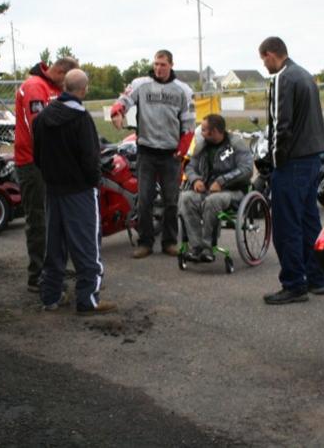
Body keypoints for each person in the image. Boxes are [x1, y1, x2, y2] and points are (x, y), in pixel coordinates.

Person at [32, 69, 116, 315]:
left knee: (54, 245)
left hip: (53, 189)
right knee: (87, 245)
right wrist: (93, 181)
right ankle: (88, 299)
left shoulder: (43, 117)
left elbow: (37, 155)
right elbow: (90, 158)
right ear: (84, 89)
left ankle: (50, 296)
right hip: (79, 190)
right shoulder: (81, 119)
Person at [258, 37, 324, 305]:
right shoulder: (306, 76)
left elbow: (281, 126)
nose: (264, 66)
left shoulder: (282, 79)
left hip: (292, 161)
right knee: (309, 220)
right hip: (313, 157)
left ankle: (293, 284)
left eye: (263, 60)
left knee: (286, 225)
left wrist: (272, 163)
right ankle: (315, 278)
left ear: (270, 55)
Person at [110, 49, 195, 259]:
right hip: (146, 151)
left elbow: (189, 124)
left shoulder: (183, 90)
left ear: (171, 65)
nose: (158, 68)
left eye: (163, 64)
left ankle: (169, 242)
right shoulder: (141, 84)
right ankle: (145, 242)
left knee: (171, 200)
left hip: (170, 154)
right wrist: (117, 112)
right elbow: (123, 100)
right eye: (156, 64)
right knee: (145, 199)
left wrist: (181, 151)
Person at [14, 57, 79, 292]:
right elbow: (40, 127)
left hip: (51, 162)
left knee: (56, 217)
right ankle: (37, 275)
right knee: (39, 219)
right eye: (67, 81)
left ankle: (54, 268)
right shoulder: (34, 87)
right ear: (61, 72)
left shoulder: (52, 87)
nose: (67, 87)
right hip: (33, 163)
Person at [179, 114, 253, 262]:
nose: (202, 132)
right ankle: (196, 247)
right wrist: (195, 180)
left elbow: (247, 169)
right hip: (207, 190)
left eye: (205, 130)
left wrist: (222, 181)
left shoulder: (236, 143)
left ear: (214, 131)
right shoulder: (202, 146)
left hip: (234, 192)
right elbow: (190, 167)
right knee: (185, 198)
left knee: (213, 201)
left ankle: (208, 248)